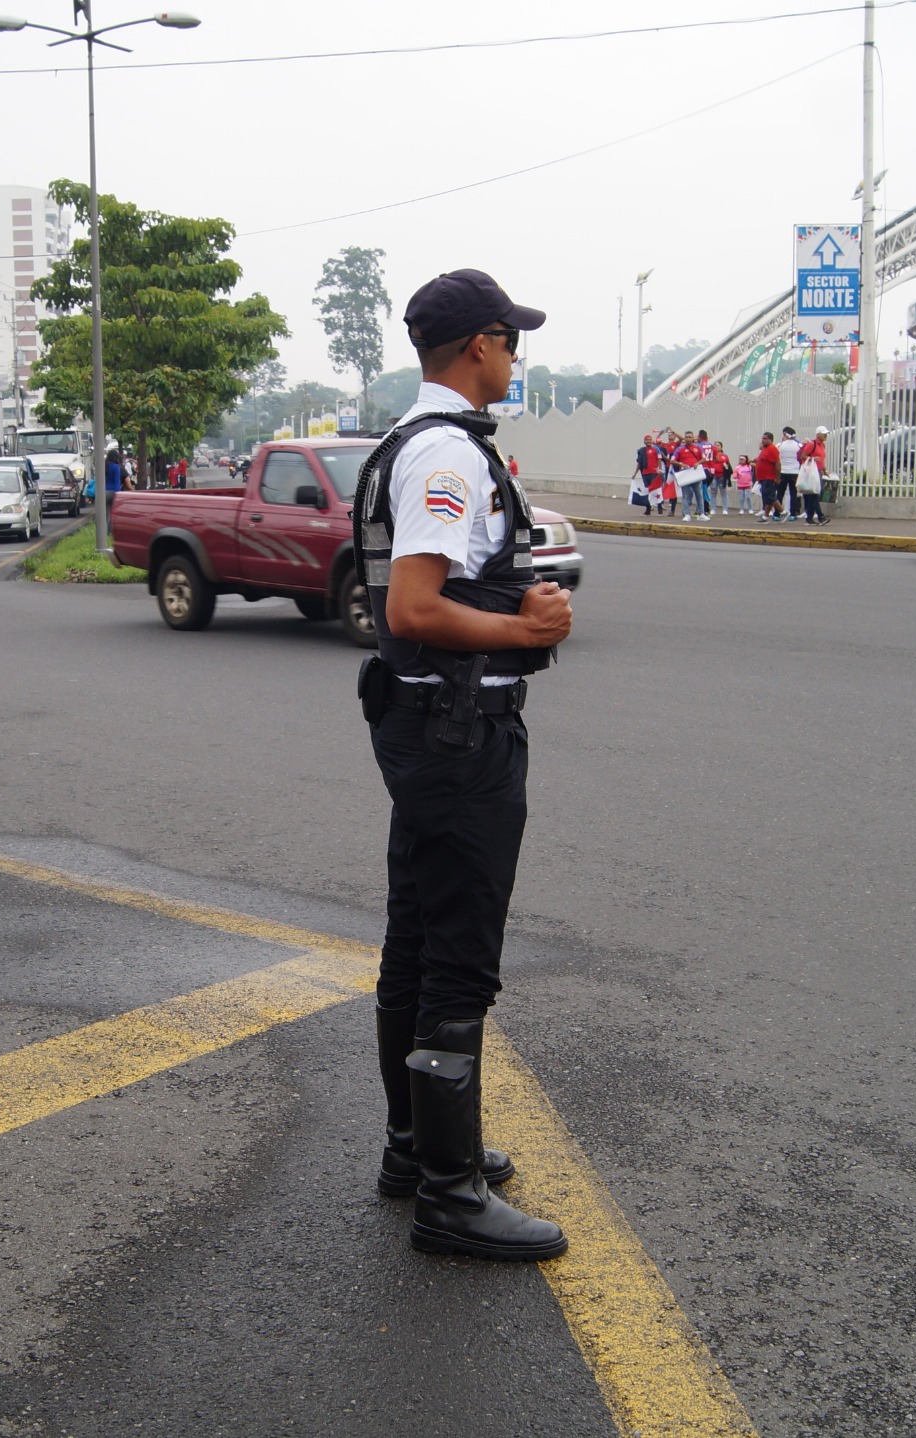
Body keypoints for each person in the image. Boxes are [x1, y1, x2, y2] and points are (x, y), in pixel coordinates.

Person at [353, 268, 570, 1262]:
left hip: (423, 724)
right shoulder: (446, 454)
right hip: (456, 732)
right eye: (510, 340)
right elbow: (414, 607)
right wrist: (523, 626)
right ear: (478, 344)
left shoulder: (416, 441)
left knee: (416, 932)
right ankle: (449, 1193)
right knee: (458, 959)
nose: (515, 358)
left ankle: (415, 1146)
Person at [798, 426, 830, 524]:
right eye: (823, 433)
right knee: (815, 495)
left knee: (813, 495)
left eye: (826, 433)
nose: (825, 435)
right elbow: (803, 456)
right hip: (811, 473)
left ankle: (809, 518)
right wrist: (813, 459)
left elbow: (822, 460)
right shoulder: (812, 444)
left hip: (818, 472)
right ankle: (820, 517)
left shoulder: (822, 445)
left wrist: (824, 470)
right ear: (817, 434)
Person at [774, 426, 802, 523]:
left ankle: (777, 514)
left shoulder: (779, 445)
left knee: (780, 494)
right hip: (795, 472)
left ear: (785, 434)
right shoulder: (799, 445)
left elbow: (776, 457)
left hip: (782, 472)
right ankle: (793, 514)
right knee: (793, 494)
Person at [753, 431, 781, 520]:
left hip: (769, 477)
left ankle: (782, 511)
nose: (763, 440)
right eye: (762, 438)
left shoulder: (772, 449)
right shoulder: (765, 449)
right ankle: (765, 516)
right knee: (766, 497)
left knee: (769, 496)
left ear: (770, 439)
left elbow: (778, 464)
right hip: (763, 477)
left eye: (765, 439)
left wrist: (777, 478)